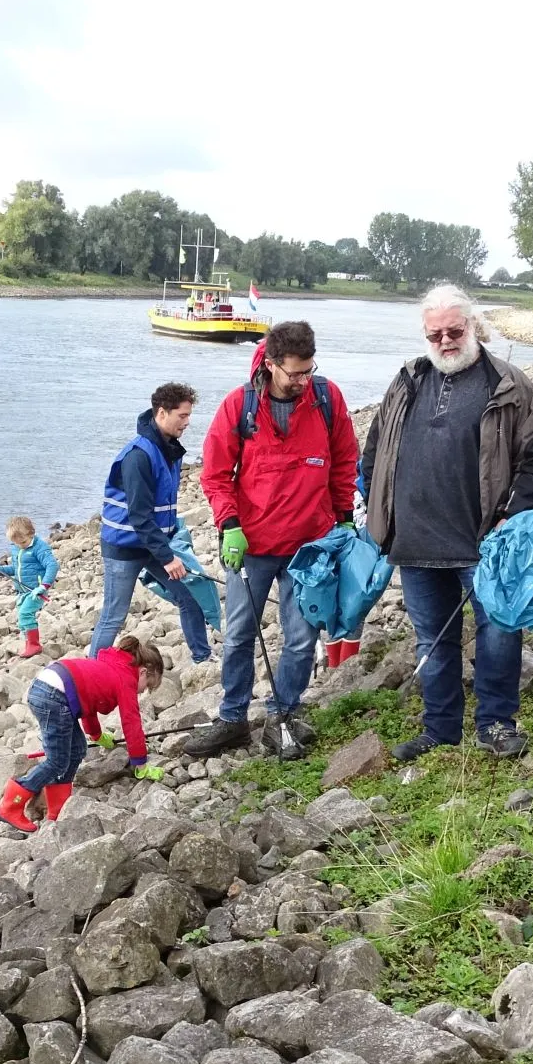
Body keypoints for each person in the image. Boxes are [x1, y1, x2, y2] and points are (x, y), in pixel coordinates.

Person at [361, 284, 533, 761]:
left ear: (472, 326)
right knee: (433, 639)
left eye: (454, 330)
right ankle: (441, 729)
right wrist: (378, 506)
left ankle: (496, 724)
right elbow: (375, 451)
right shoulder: (407, 379)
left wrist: (510, 517)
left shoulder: (509, 384)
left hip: (483, 542)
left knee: (501, 629)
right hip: (415, 541)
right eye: (435, 334)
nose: (445, 341)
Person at [182, 321, 359, 759]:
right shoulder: (238, 406)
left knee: (301, 636)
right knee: (241, 633)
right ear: (271, 363)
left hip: (310, 546)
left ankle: (283, 712)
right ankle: (233, 717)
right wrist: (229, 524)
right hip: (252, 545)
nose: (303, 381)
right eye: (294, 373)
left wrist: (343, 518)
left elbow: (344, 461)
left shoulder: (326, 398)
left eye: (309, 371)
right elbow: (215, 474)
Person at [90, 383, 214, 665]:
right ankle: (92, 672)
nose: (187, 421)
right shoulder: (139, 455)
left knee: (190, 595)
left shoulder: (167, 448)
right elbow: (139, 516)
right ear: (161, 413)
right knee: (113, 615)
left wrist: (170, 545)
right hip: (124, 548)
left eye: (188, 415)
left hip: (154, 544)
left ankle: (202, 657)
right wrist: (168, 558)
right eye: (182, 415)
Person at [0, 635, 165, 831]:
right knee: (57, 760)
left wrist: (97, 736)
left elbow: (88, 702)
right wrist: (140, 763)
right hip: (54, 695)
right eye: (147, 686)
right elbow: (131, 723)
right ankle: (10, 805)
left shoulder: (114, 665)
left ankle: (57, 811)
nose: (142, 692)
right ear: (143, 672)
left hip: (48, 688)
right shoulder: (126, 678)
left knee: (76, 750)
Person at [0, 515, 58, 658]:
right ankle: (28, 643)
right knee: (22, 619)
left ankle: (34, 646)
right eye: (16, 543)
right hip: (22, 591)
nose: (20, 545)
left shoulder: (39, 547)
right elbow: (15, 570)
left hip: (36, 591)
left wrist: (44, 586)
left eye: (23, 541)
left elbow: (52, 565)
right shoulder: (17, 548)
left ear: (31, 533)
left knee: (25, 614)